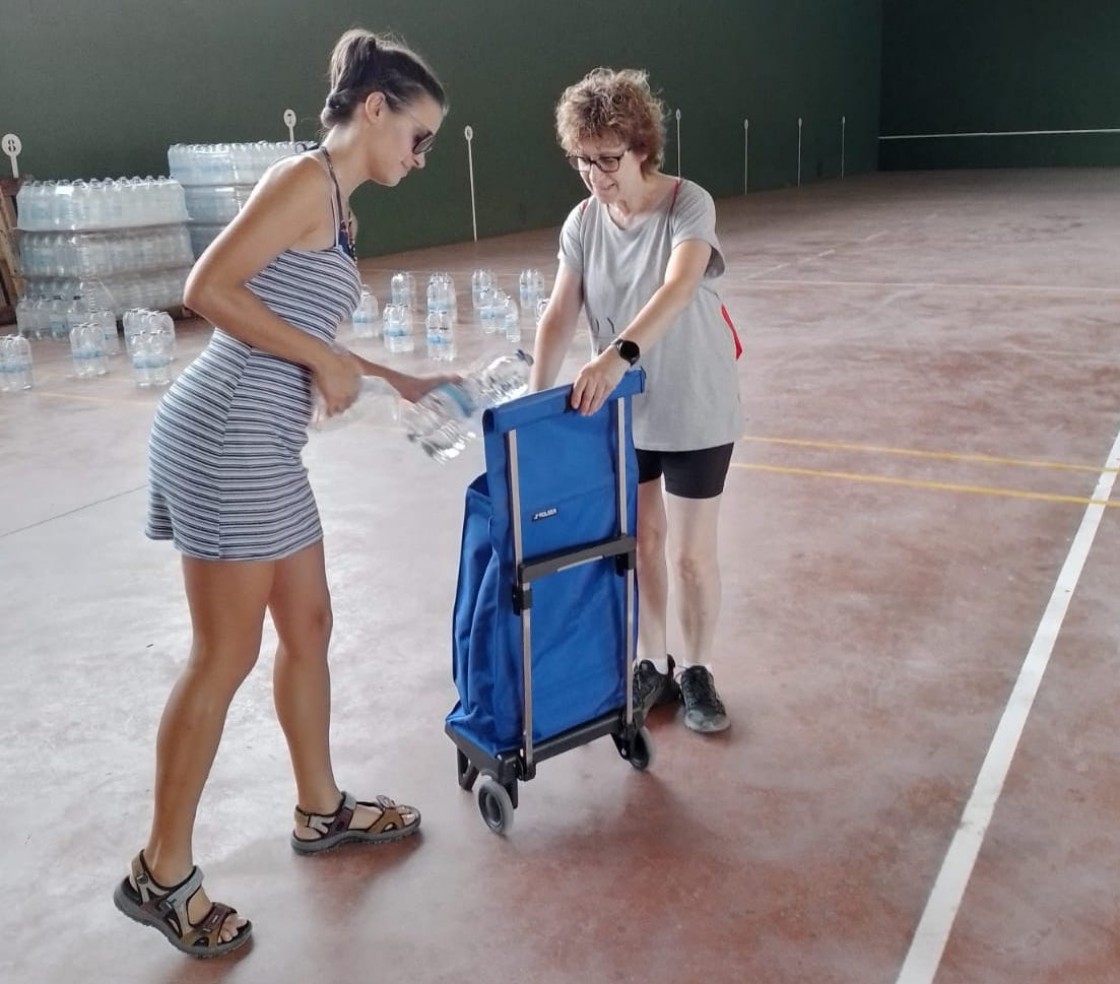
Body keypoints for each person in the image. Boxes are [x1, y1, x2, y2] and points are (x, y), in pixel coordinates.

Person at [113, 29, 448, 957]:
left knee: (308, 627)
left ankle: (320, 809)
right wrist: (322, 360)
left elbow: (302, 325)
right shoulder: (302, 183)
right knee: (223, 655)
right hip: (224, 437)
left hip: (267, 443)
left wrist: (394, 381)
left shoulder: (340, 207)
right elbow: (206, 287)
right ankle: (161, 871)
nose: (420, 158)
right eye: (417, 137)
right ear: (374, 110)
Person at [530, 68, 742, 736]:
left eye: (609, 159)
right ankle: (655, 660)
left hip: (695, 402)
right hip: (628, 413)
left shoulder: (688, 204)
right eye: (583, 161)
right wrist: (537, 407)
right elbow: (560, 314)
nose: (597, 175)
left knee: (690, 554)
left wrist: (616, 355)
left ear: (641, 148)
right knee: (643, 541)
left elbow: (679, 287)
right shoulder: (582, 222)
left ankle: (699, 670)